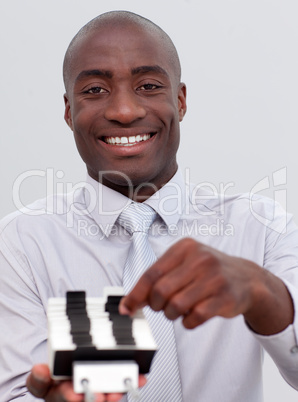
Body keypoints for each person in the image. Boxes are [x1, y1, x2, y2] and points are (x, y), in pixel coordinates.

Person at [0, 10, 298, 402]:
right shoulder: (22, 242)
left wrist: (266, 295)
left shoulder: (261, 225)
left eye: (149, 85)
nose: (124, 111)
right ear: (69, 111)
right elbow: (19, 391)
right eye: (94, 90)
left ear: (180, 100)